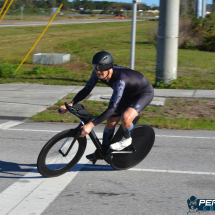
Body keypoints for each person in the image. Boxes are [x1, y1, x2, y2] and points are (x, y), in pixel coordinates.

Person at [59, 51, 154, 161]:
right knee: (111, 120)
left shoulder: (120, 80)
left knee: (126, 117)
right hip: (127, 93)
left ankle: (127, 139)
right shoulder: (97, 73)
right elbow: (87, 89)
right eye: (95, 67)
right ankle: (103, 150)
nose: (98, 71)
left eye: (101, 68)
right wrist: (70, 104)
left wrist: (91, 125)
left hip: (143, 93)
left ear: (109, 68)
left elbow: (112, 108)